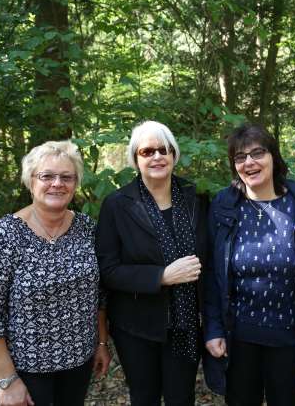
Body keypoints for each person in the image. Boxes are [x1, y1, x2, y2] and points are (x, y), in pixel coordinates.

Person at [0, 140, 110, 406]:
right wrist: (7, 381)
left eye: (66, 177)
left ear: (76, 183)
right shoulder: (2, 237)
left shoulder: (88, 229)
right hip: (27, 370)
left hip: (79, 364)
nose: (57, 183)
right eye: (47, 176)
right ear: (30, 180)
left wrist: (101, 343)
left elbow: (99, 294)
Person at [203, 123, 295, 406]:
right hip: (239, 337)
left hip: (290, 338)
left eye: (258, 153)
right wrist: (214, 328)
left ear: (274, 158)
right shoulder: (224, 205)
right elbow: (211, 274)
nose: (250, 162)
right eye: (240, 157)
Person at [95, 120, 209, 406]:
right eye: (147, 152)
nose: (157, 157)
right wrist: (161, 276)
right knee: (144, 398)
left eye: (163, 149)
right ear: (135, 159)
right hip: (136, 325)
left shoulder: (196, 198)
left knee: (181, 398)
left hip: (187, 323)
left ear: (174, 154)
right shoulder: (117, 204)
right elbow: (107, 271)